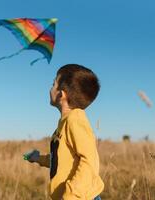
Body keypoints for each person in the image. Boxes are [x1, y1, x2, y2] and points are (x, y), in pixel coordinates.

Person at [24, 64, 104, 200]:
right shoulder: (65, 122)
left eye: (53, 84)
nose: (50, 88)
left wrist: (71, 195)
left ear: (61, 94)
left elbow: (90, 161)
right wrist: (39, 159)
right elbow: (62, 161)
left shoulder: (75, 119)